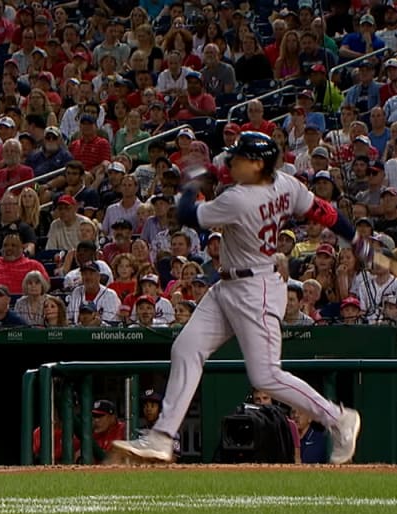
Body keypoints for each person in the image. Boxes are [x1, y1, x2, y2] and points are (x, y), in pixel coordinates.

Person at [111, 132, 362, 464]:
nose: (232, 161)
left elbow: (186, 214)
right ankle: (162, 437)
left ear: (258, 164)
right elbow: (325, 212)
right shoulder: (286, 183)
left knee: (266, 376)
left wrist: (192, 180)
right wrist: (357, 239)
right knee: (186, 348)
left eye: (240, 158)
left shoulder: (241, 198)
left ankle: (338, 418)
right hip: (228, 285)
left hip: (254, 289)